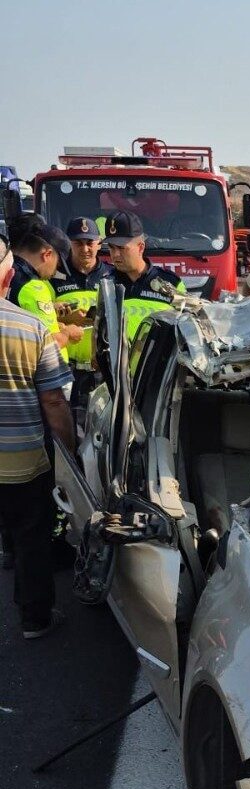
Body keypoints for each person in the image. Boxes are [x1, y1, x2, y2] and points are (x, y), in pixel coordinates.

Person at [0, 233, 76, 638]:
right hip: (24, 460)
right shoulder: (30, 328)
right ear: (8, 275)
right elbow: (53, 402)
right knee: (32, 538)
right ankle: (35, 618)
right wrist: (69, 448)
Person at [51, 217, 114, 424]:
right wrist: (63, 317)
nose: (85, 249)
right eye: (78, 243)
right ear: (69, 243)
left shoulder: (113, 276)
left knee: (103, 430)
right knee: (66, 429)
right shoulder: (54, 275)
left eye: (90, 243)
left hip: (103, 370)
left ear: (99, 244)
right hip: (66, 369)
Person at [8, 217, 83, 367]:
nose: (55, 272)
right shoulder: (33, 286)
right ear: (47, 254)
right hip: (37, 376)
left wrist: (55, 319)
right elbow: (47, 344)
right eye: (58, 264)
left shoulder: (7, 272)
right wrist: (68, 333)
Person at [103, 211, 186, 341]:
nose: (115, 254)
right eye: (112, 248)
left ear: (141, 247)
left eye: (121, 248)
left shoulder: (171, 283)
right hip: (117, 361)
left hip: (157, 360)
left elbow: (185, 328)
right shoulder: (107, 284)